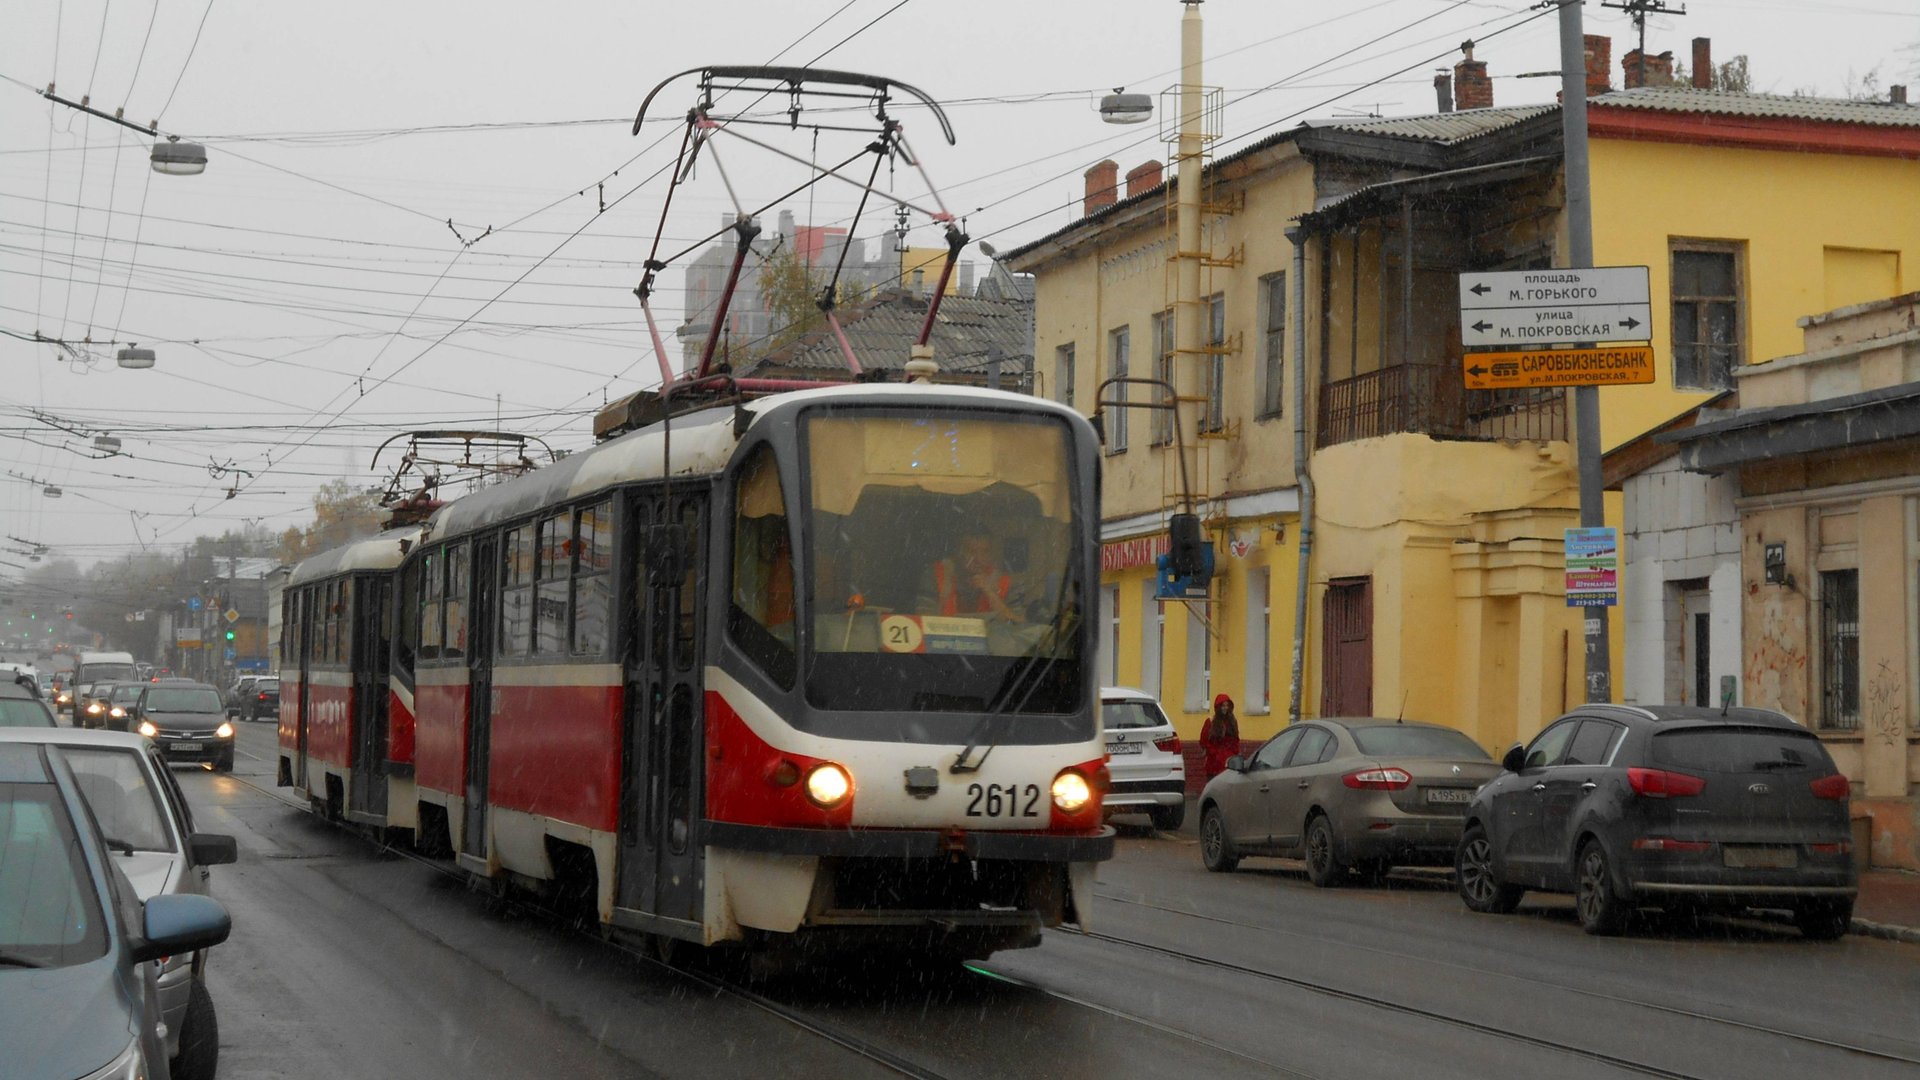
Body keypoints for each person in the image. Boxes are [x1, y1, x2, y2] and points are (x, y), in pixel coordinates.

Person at [925, 534, 1023, 622]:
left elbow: (1019, 625)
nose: (978, 559)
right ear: (958, 553)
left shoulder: (1005, 583)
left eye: (985, 552)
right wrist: (945, 592)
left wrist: (990, 593)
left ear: (992, 555)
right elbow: (922, 623)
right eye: (971, 552)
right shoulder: (936, 577)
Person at [1200, 693, 1240, 780]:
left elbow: (1236, 740)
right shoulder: (1211, 721)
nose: (1225, 708)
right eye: (1223, 705)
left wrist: (1233, 754)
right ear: (1218, 707)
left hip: (1229, 761)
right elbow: (1204, 741)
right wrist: (1214, 753)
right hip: (1214, 763)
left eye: (1227, 705)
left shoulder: (1232, 722)